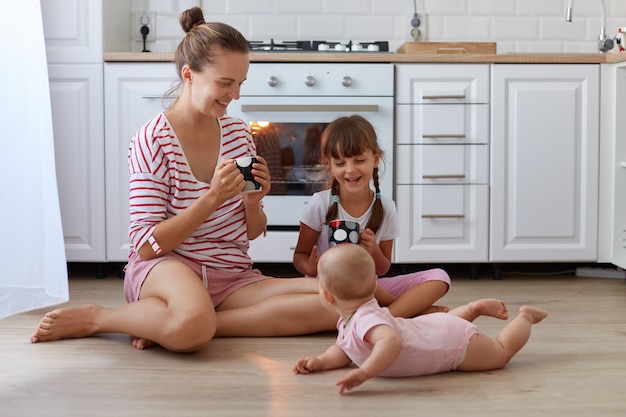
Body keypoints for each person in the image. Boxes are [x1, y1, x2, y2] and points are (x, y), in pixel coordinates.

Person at [30, 7, 340, 352]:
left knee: (338, 299)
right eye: (225, 83)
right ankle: (102, 317)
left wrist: (253, 203)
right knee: (193, 326)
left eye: (240, 83)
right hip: (168, 268)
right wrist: (212, 198)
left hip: (230, 274)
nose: (235, 95)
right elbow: (147, 245)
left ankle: (174, 321)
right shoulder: (153, 139)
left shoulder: (239, 133)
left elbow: (250, 232)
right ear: (189, 74)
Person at [293, 244, 549, 394]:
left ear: (327, 296)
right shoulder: (351, 318)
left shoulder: (366, 319)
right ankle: (471, 310)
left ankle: (525, 317)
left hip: (454, 347)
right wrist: (321, 362)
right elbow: (344, 349)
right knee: (440, 324)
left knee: (500, 353)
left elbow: (390, 343)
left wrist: (365, 373)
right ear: (373, 286)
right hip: (435, 328)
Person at [293, 115, 450, 318]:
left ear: (375, 160)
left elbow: (383, 268)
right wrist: (311, 266)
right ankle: (404, 310)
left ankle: (383, 314)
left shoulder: (386, 207)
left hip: (373, 288)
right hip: (330, 287)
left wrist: (374, 251)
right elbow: (299, 257)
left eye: (359, 160)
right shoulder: (320, 203)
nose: (350, 170)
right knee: (348, 280)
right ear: (330, 165)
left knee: (440, 277)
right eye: (340, 163)